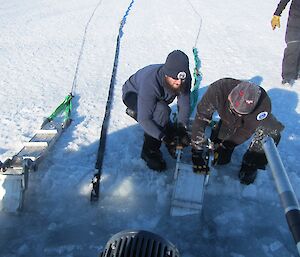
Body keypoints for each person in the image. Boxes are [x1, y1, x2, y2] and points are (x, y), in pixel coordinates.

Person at [191, 78, 284, 185]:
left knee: (272, 132)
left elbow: (246, 130)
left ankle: (251, 164)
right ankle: (221, 152)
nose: (238, 114)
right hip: (227, 118)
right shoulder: (218, 90)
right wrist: (196, 149)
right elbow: (201, 117)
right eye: (235, 110)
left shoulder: (263, 106)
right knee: (220, 157)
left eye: (241, 113)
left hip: (252, 121)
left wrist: (227, 145)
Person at [122, 50, 191, 171]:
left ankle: (146, 117)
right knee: (161, 111)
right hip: (133, 94)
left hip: (158, 97)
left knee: (162, 112)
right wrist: (163, 137)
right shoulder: (151, 82)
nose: (179, 82)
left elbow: (184, 104)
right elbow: (144, 119)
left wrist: (181, 128)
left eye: (182, 79)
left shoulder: (183, 78)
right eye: (175, 78)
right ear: (166, 74)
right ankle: (149, 151)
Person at [271, 0, 300, 86]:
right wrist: (277, 14)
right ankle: (288, 76)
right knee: (293, 44)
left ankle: (298, 71)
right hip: (295, 18)